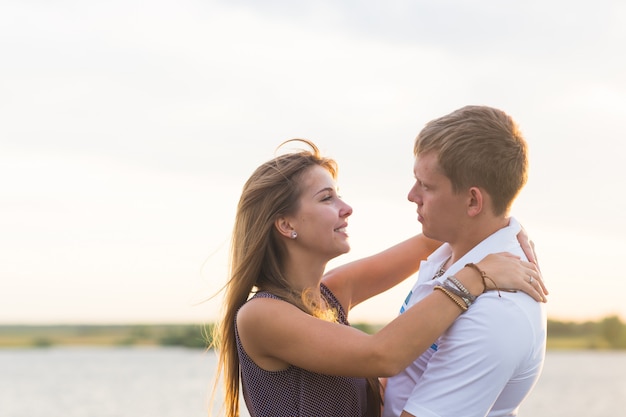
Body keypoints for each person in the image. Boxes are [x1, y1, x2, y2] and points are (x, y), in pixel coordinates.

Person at [211, 138, 547, 417]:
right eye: (327, 198)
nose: (346, 207)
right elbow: (382, 355)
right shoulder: (261, 316)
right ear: (286, 225)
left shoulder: (330, 295)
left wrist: (504, 227)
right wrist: (477, 276)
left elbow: (453, 226)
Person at [382, 105, 548, 417]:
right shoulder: (450, 252)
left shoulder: (498, 313)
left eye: (426, 186)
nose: (411, 195)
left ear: (473, 200)